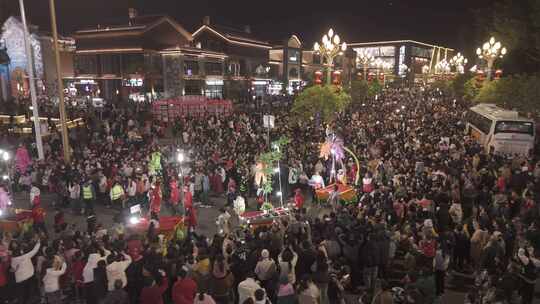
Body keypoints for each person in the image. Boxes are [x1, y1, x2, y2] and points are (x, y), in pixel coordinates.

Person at [11, 238, 40, 304]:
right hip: (30, 275)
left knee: (22, 295)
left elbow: (13, 269)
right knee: (31, 293)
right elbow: (35, 250)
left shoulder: (14, 259)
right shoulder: (27, 256)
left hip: (21, 279)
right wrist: (38, 243)